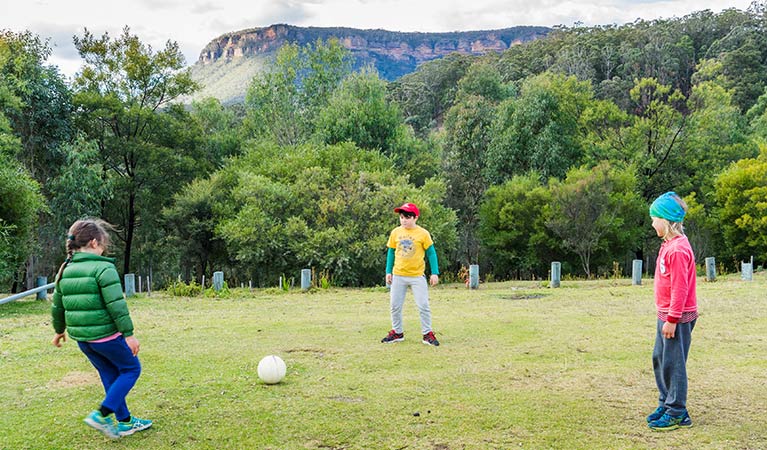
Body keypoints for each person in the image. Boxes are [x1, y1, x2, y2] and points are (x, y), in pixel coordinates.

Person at [51, 219, 152, 439]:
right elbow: (117, 306)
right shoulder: (103, 267)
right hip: (106, 337)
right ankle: (102, 414)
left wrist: (59, 330)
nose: (104, 249)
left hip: (83, 339)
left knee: (109, 373)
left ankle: (125, 422)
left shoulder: (65, 268)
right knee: (131, 369)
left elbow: (57, 304)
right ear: (95, 242)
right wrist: (129, 335)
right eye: (104, 244)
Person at [646, 192, 698, 431]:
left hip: (675, 317)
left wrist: (672, 319)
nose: (652, 223)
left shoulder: (677, 250)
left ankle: (677, 411)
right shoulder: (669, 245)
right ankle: (666, 403)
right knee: (660, 358)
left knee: (674, 363)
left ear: (666, 221)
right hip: (665, 315)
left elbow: (680, 288)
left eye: (655, 218)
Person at [381, 202, 441, 346]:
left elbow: (431, 253)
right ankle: (397, 332)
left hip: (417, 276)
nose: (404, 220)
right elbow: (391, 252)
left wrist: (435, 273)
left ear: (415, 218)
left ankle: (427, 334)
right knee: (395, 305)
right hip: (398, 275)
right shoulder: (396, 232)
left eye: (407, 217)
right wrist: (388, 271)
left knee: (423, 305)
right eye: (402, 217)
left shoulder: (423, 233)